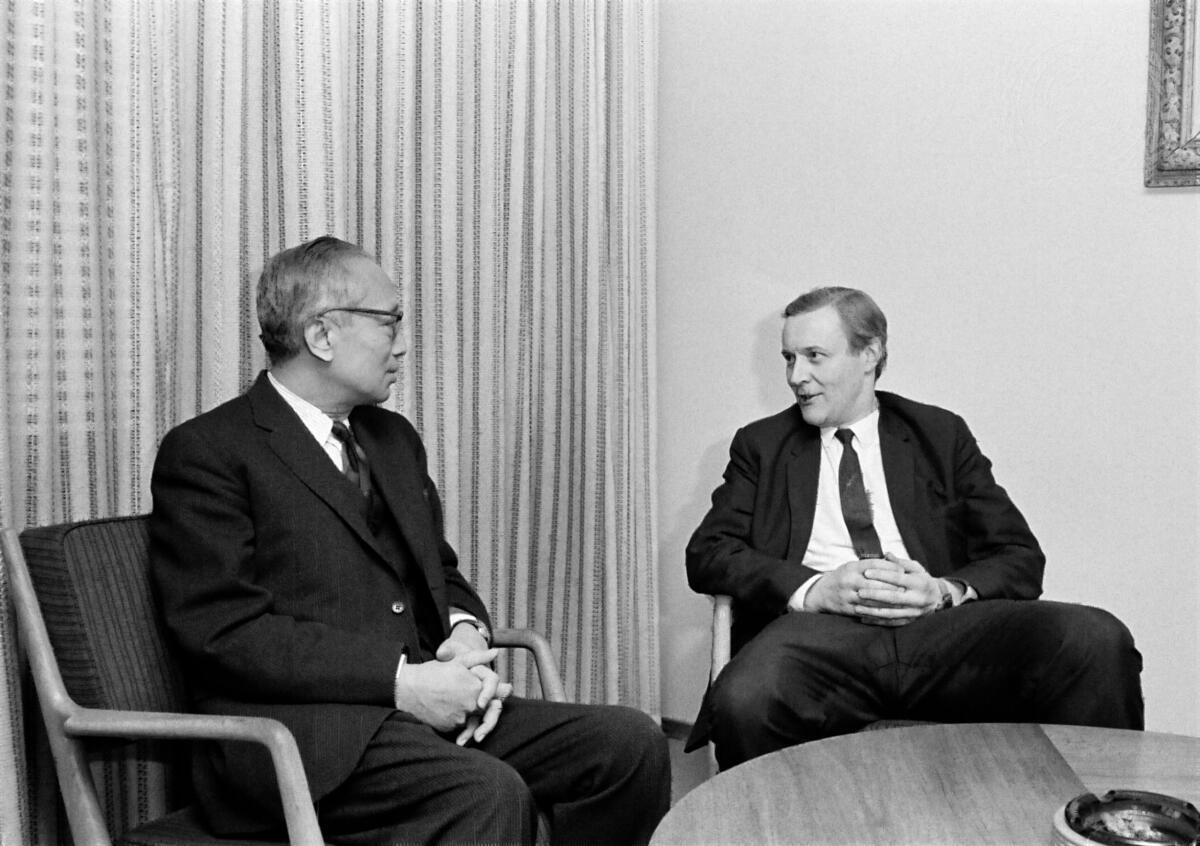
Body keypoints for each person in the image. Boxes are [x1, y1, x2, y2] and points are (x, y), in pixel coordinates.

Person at [149, 235, 670, 844]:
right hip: (303, 737)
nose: (402, 344)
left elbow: (439, 573)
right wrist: (401, 682)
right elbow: (225, 633)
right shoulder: (209, 452)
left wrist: (466, 637)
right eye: (388, 321)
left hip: (421, 711)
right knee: (486, 789)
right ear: (321, 335)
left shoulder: (392, 439)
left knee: (629, 744)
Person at [683, 286, 1143, 770]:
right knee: (747, 696)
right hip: (818, 640)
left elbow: (1019, 557)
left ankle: (1101, 810)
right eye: (789, 358)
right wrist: (815, 589)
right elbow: (709, 553)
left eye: (814, 356)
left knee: (1095, 639)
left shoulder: (939, 434)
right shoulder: (762, 445)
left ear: (869, 354)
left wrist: (943, 591)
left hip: (939, 633)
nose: (797, 377)